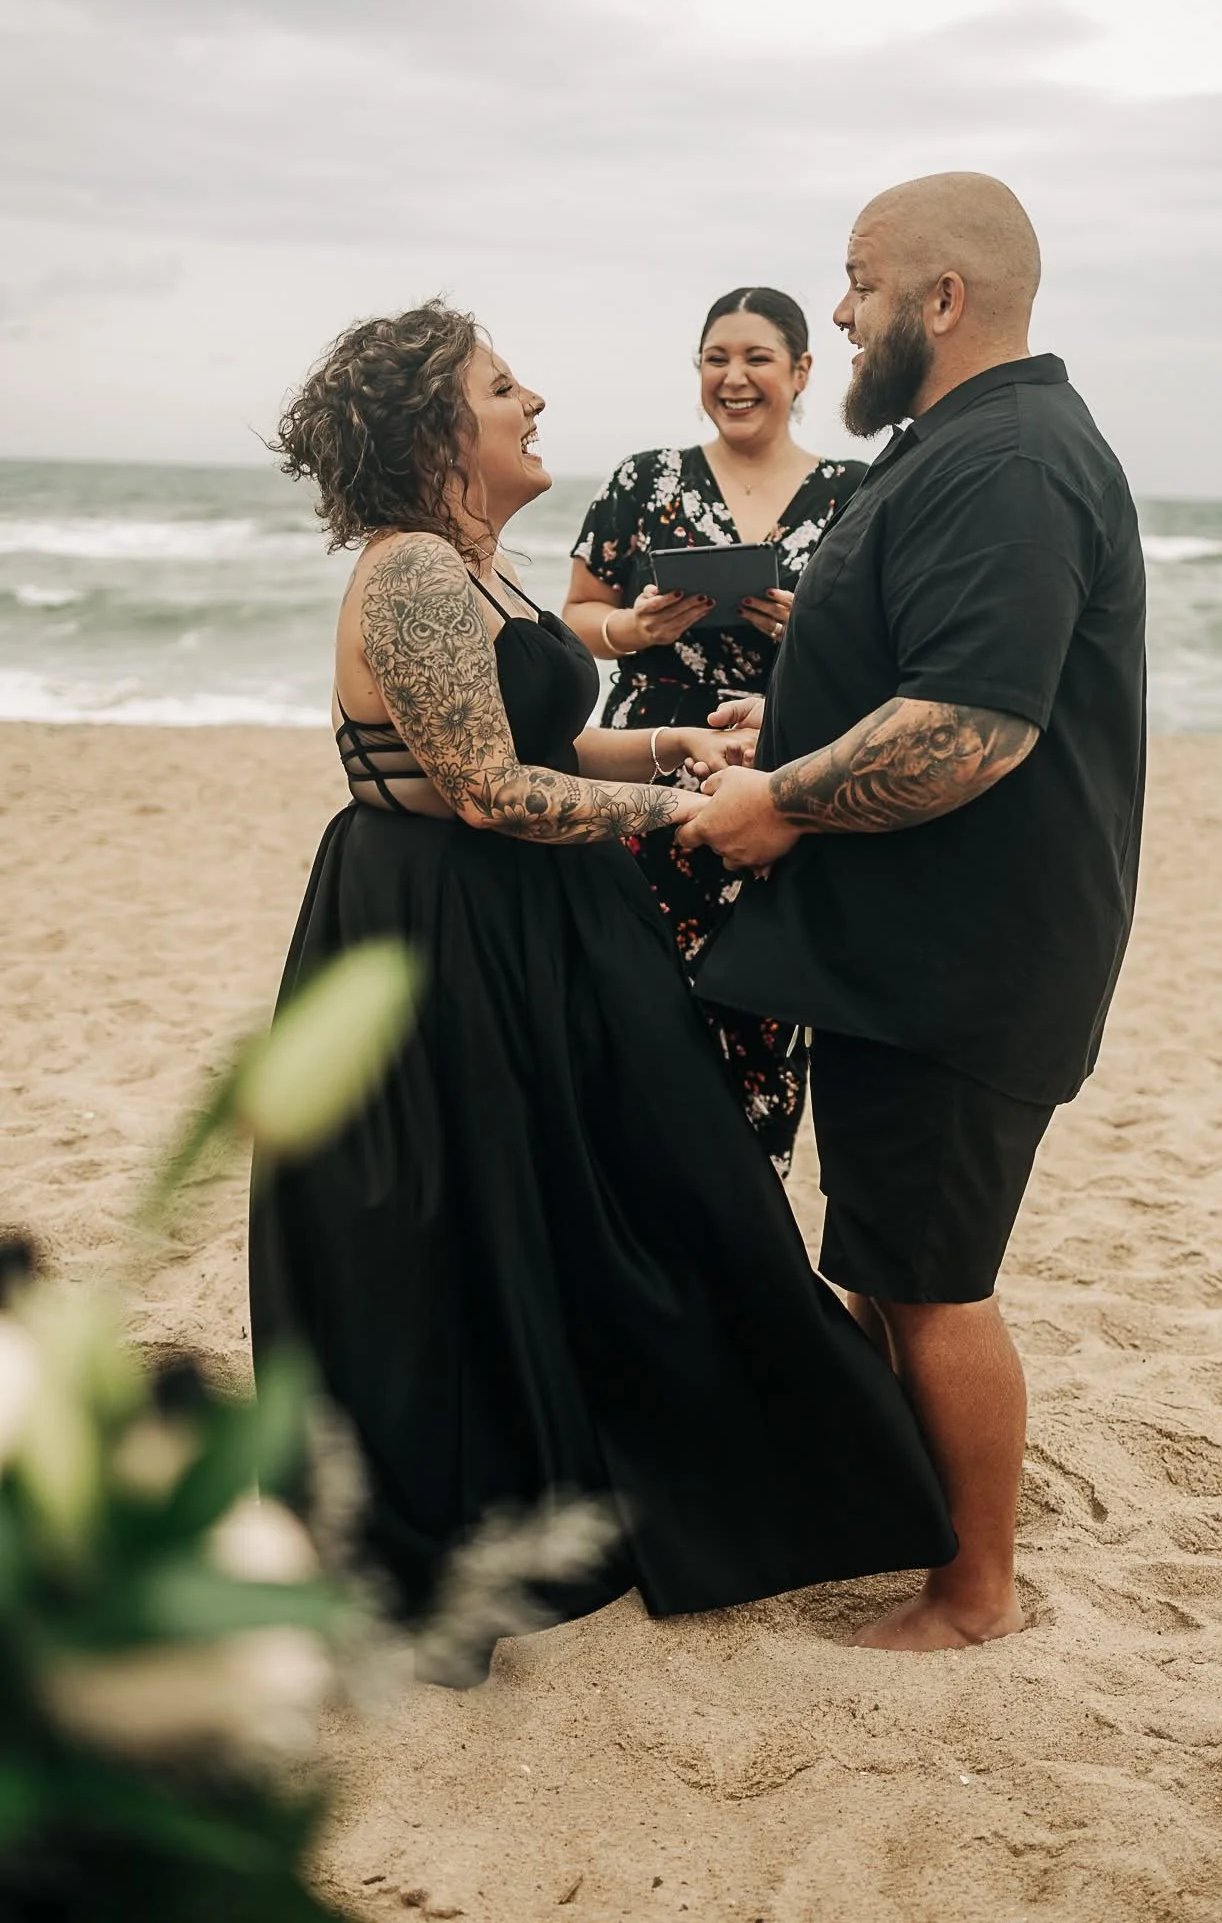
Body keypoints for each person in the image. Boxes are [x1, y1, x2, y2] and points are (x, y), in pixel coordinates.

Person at [249, 300, 954, 1642]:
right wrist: (685, 815)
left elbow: (539, 753)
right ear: (435, 430)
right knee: (500, 1203)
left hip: (529, 917)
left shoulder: (480, 566)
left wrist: (674, 744)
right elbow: (480, 796)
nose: (534, 403)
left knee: (614, 1185)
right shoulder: (408, 572)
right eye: (502, 387)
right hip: (441, 925)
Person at [686, 175, 1147, 1653]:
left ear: (939, 301)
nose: (837, 310)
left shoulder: (1008, 458)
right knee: (881, 1255)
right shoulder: (957, 444)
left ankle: (974, 1591)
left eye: (858, 281)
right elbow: (914, 667)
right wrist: (798, 716)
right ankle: (915, 1527)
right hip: (909, 949)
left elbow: (975, 726)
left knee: (932, 1280)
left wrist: (785, 800)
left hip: (969, 960)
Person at [561, 289, 865, 1173]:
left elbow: (882, 650)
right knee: (630, 988)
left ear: (801, 371)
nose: (733, 378)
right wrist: (634, 630)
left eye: (756, 358)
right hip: (642, 760)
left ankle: (748, 1203)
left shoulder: (855, 493)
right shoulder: (638, 478)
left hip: (781, 765)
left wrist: (806, 628)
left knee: (761, 997)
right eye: (714, 358)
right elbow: (575, 616)